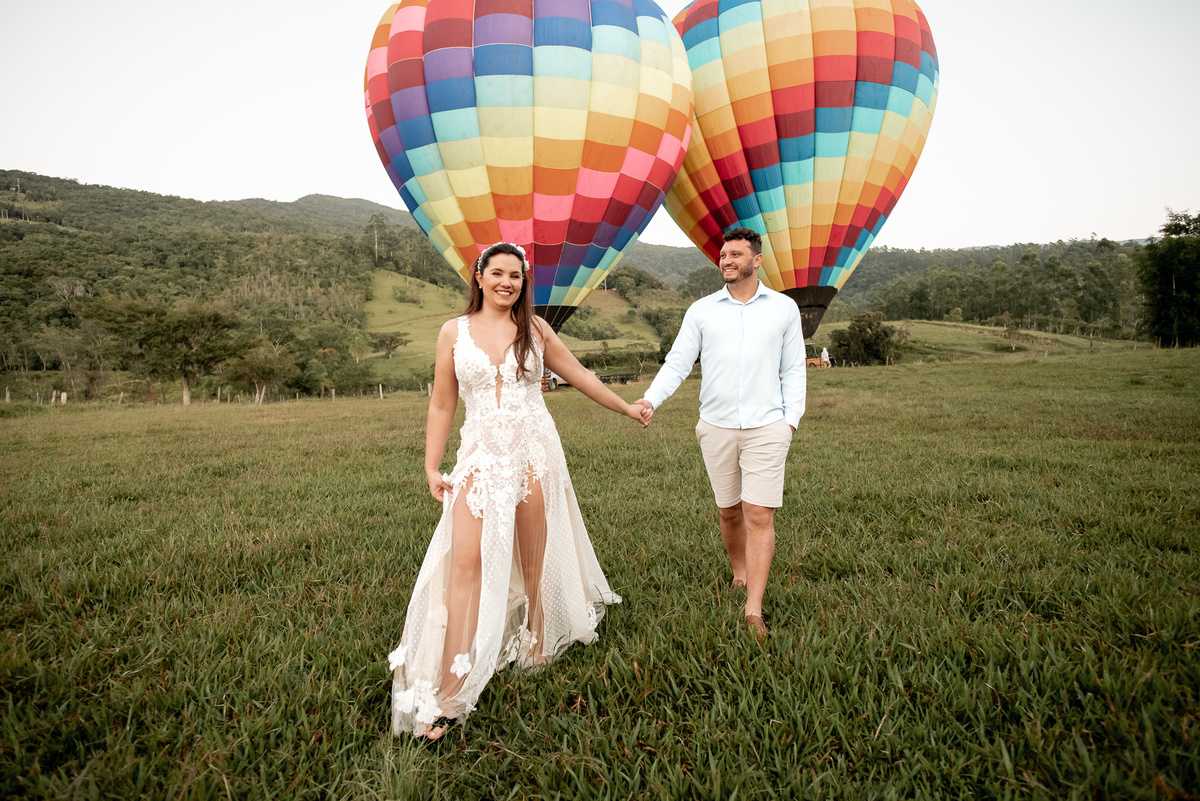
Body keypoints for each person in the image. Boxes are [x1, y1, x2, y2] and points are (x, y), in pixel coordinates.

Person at [387, 242, 651, 742]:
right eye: (498, 273)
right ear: (479, 277)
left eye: (516, 276)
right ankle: (450, 690)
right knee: (465, 564)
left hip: (534, 452)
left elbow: (580, 376)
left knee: (534, 557)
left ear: (524, 281)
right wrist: (430, 465)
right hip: (480, 458)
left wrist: (627, 407)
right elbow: (442, 404)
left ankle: (537, 636)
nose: (507, 283)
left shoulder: (536, 329)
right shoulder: (453, 332)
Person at [635, 228, 805, 641]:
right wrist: (650, 400)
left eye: (735, 254)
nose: (726, 260)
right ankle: (739, 573)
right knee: (728, 510)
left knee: (759, 515)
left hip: (768, 426)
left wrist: (790, 421)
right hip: (715, 426)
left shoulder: (783, 308)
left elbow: (795, 367)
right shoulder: (702, 311)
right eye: (722, 255)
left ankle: (754, 610)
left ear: (756, 260)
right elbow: (678, 363)